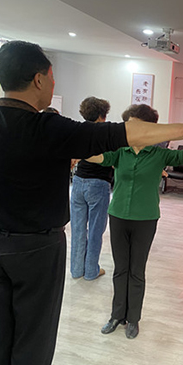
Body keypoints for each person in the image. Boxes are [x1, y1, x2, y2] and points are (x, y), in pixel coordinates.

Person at [0, 40, 183, 365]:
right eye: (52, 78)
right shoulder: (48, 128)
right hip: (36, 251)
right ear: (39, 79)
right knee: (31, 345)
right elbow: (125, 133)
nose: (53, 84)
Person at [87, 104, 183, 339]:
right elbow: (98, 157)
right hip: (118, 215)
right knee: (120, 269)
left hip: (145, 218)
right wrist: (70, 147)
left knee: (136, 271)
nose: (131, 131)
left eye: (136, 126)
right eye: (128, 126)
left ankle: (133, 318)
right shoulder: (120, 152)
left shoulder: (159, 154)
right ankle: (117, 315)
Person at [70, 96, 113, 280]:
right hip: (98, 184)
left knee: (78, 229)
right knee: (95, 230)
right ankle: (90, 271)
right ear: (103, 115)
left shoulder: (79, 131)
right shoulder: (108, 133)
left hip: (78, 182)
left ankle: (76, 270)